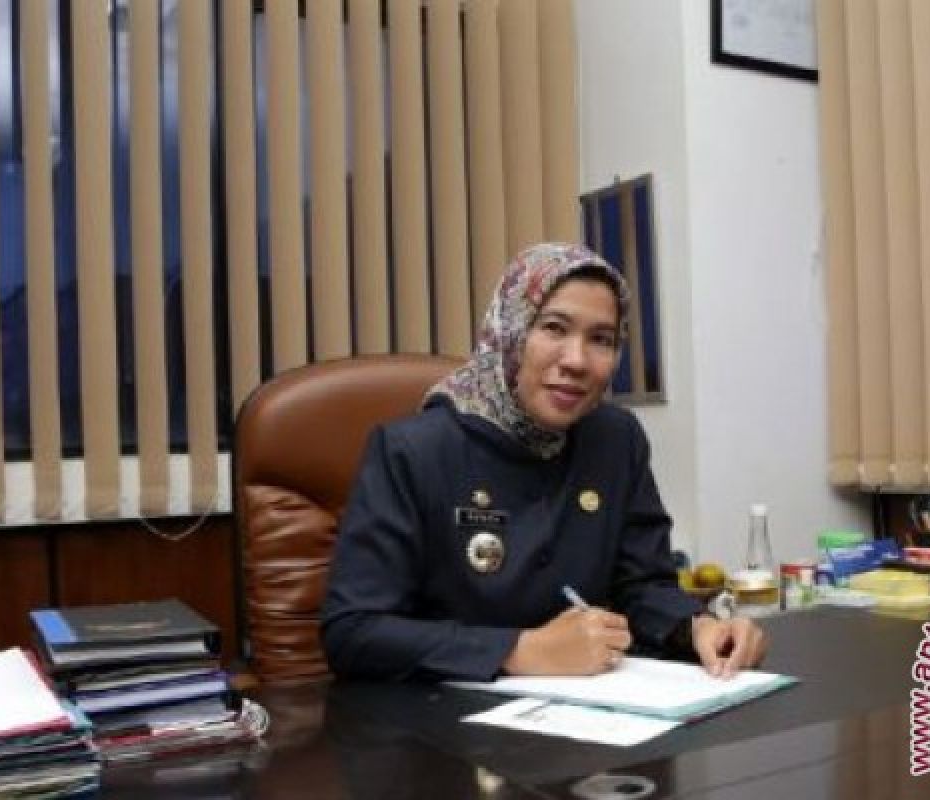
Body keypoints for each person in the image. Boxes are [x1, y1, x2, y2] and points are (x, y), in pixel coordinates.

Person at [321, 242, 767, 682]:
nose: (576, 361)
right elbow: (353, 631)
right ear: (511, 332)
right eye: (554, 328)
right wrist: (520, 651)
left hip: (593, 710)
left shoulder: (615, 439)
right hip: (444, 718)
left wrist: (696, 627)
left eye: (601, 339)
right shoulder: (411, 451)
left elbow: (643, 585)